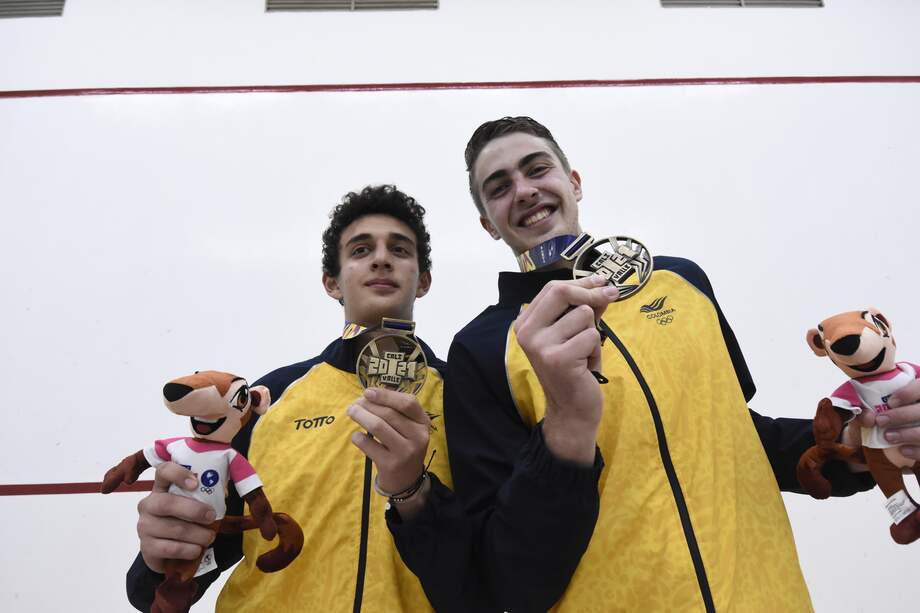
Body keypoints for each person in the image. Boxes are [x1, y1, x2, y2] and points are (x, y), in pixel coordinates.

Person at [391, 116, 882, 613]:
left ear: (574, 182)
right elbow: (507, 575)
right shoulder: (480, 349)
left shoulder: (682, 282)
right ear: (488, 225)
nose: (523, 190)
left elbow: (738, 437)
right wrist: (564, 430)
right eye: (499, 188)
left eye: (537, 169)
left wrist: (856, 442)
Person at [125, 185, 451, 611]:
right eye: (360, 249)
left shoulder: (463, 394)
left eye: (400, 249)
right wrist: (163, 555)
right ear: (331, 282)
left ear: (423, 280)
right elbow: (153, 588)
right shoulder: (269, 397)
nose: (381, 258)